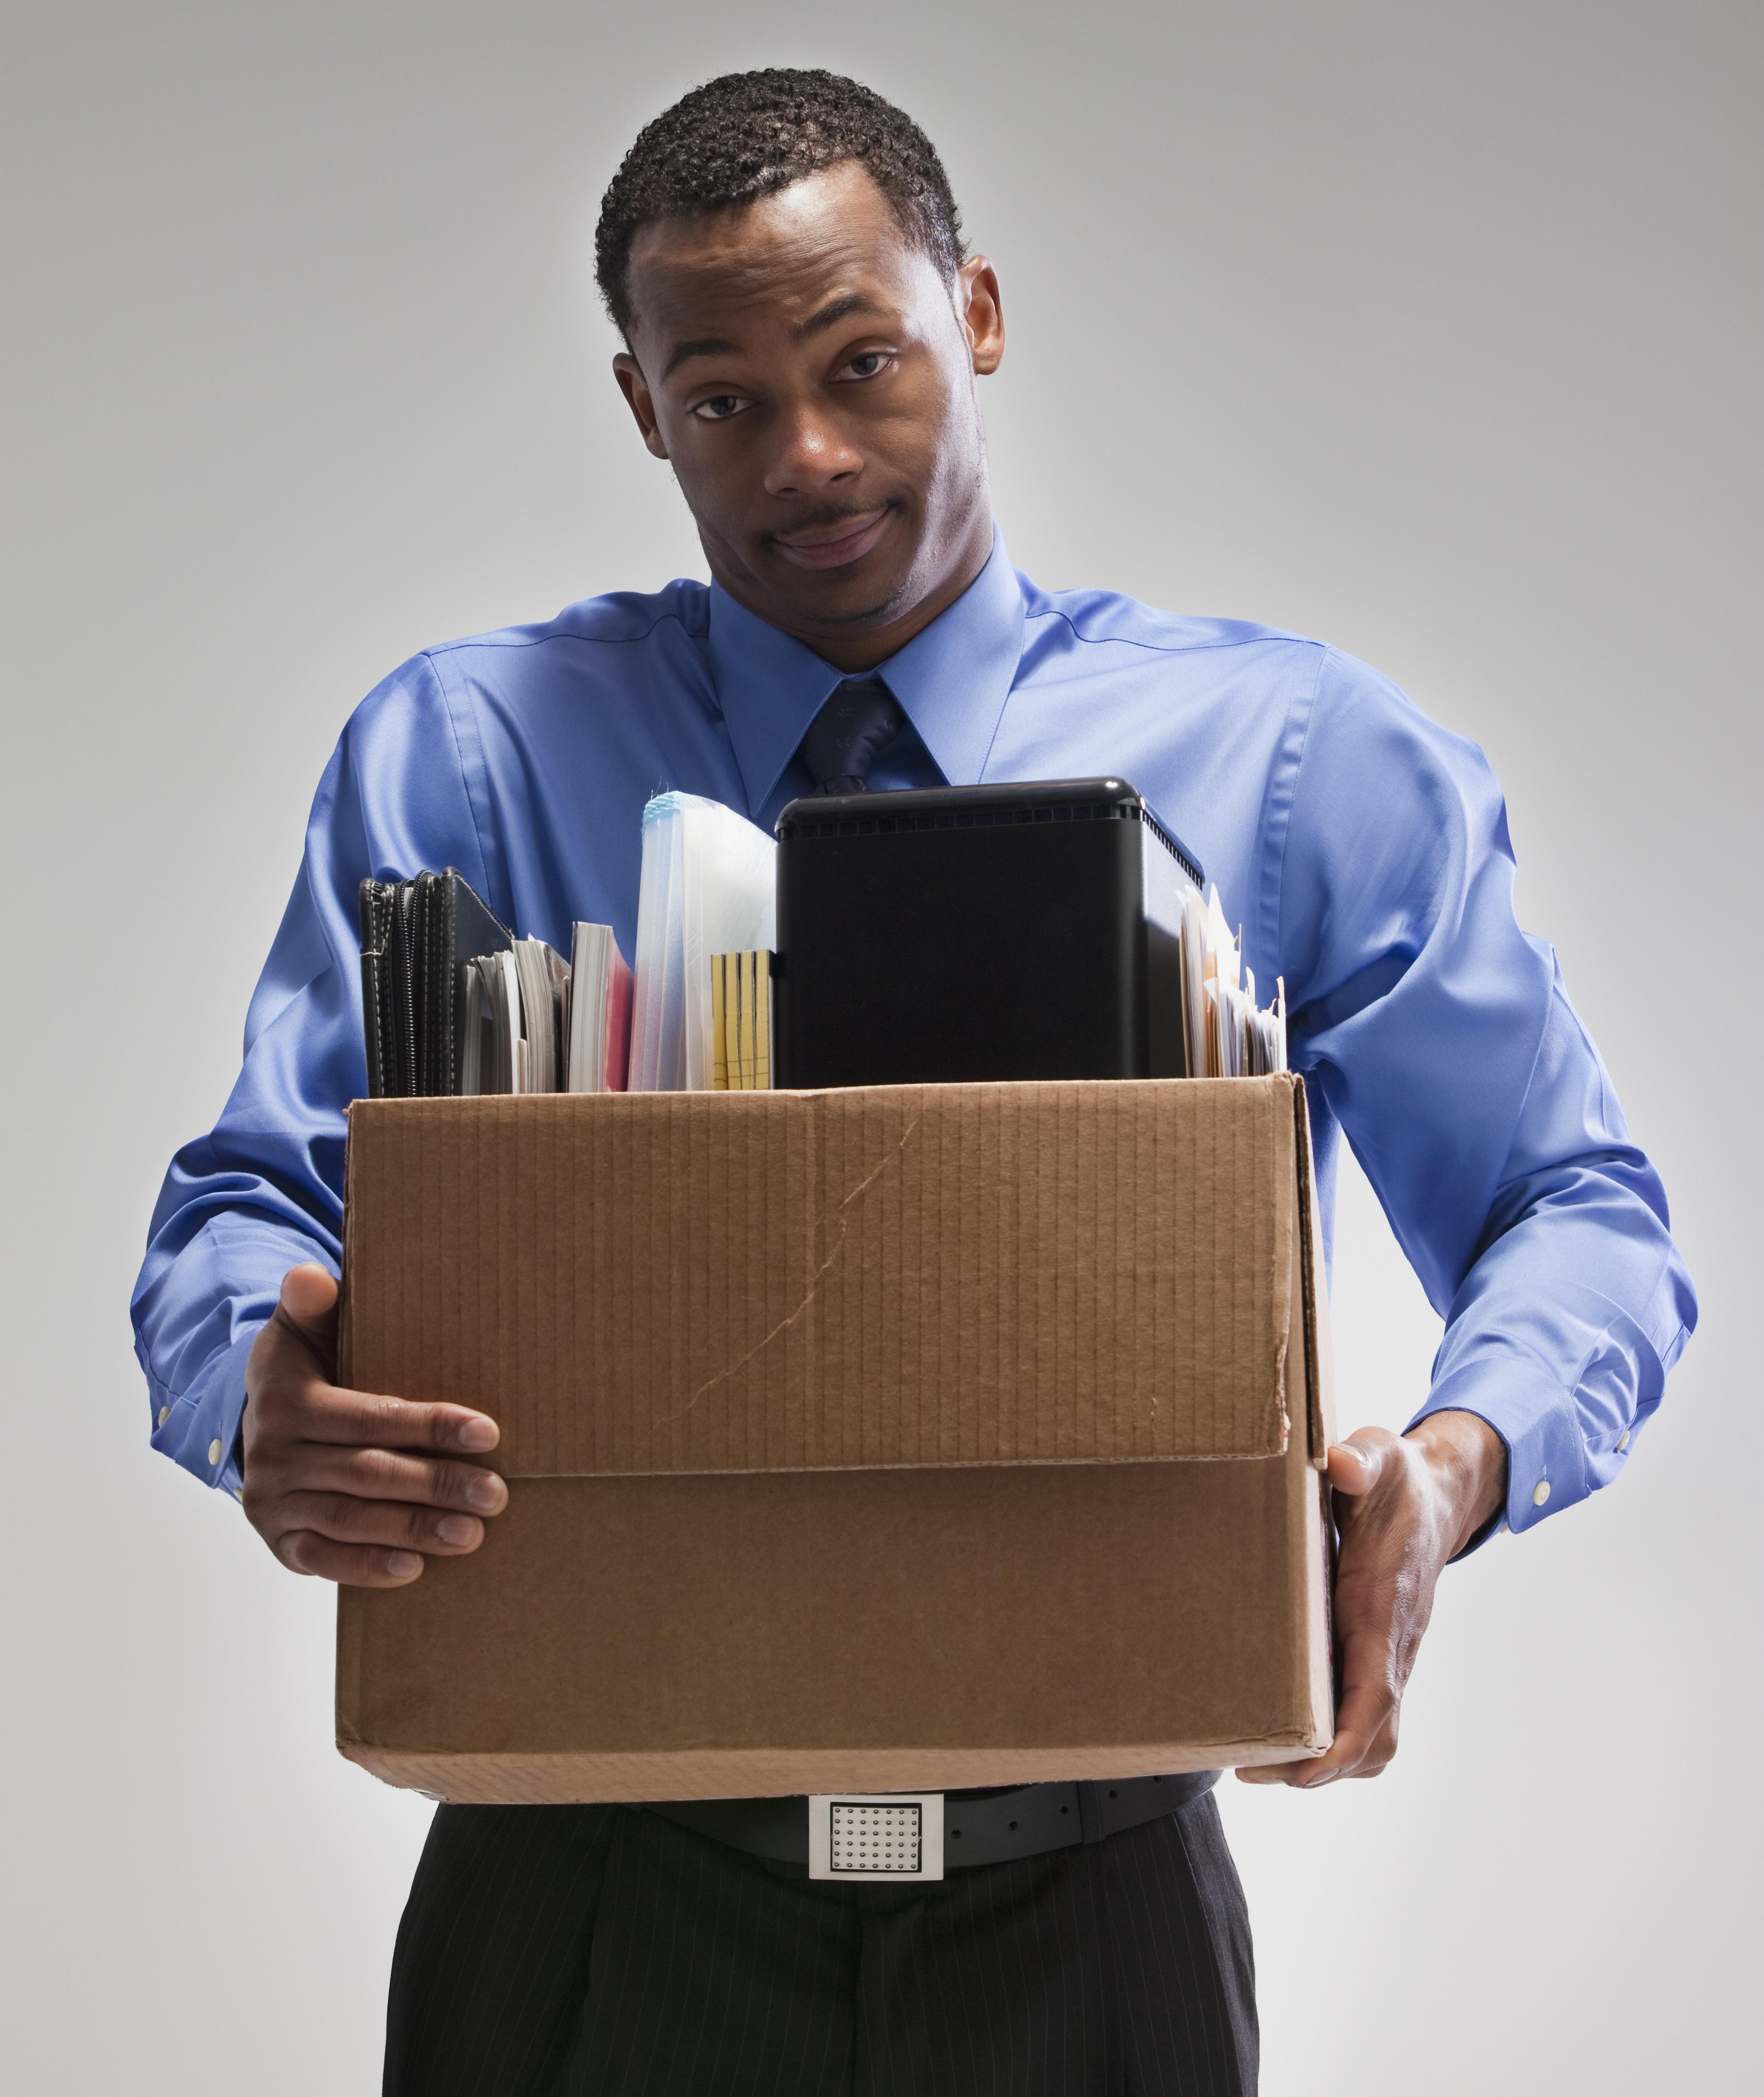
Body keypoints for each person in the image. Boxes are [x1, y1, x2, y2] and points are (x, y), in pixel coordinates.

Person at [131, 68, 1696, 2097]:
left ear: (977, 314)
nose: (805, 455)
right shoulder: (476, 751)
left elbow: (1577, 1209)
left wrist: (1453, 1468)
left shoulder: (1299, 755)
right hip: (588, 1900)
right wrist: (259, 1385)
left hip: (1096, 1910)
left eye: (863, 360)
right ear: (639, 407)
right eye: (720, 399)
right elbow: (246, 1203)